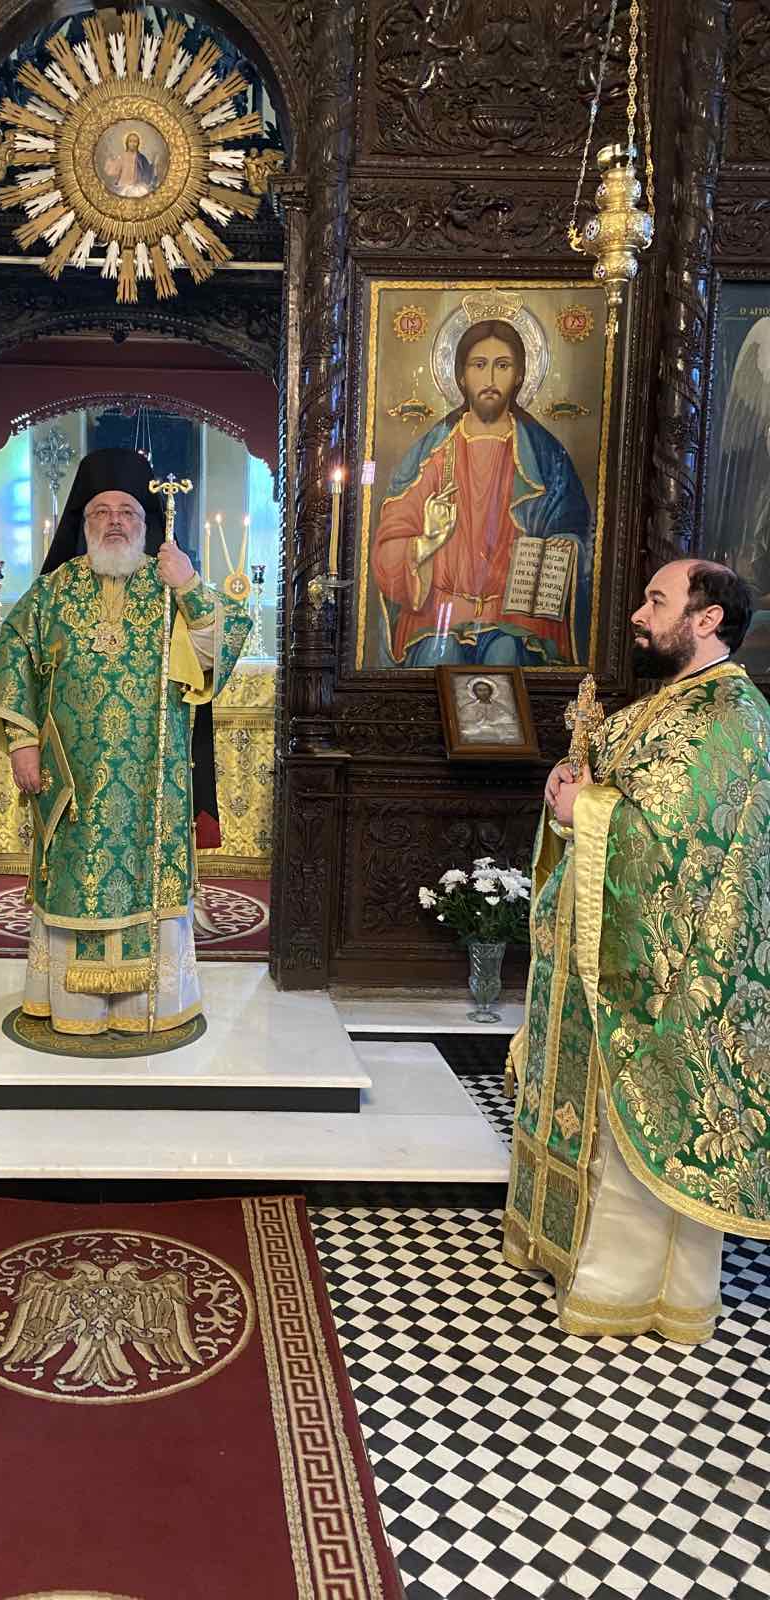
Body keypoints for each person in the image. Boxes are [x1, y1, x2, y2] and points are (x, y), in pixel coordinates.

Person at [504, 559, 770, 1343]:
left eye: (658, 600)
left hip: (666, 974)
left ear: (707, 619)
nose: (638, 615)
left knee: (638, 1114)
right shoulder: (670, 703)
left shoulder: (731, 716)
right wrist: (572, 790)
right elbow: (614, 790)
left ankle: (631, 1291)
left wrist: (583, 806)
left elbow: (678, 846)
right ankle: (563, 1250)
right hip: (601, 949)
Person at [0, 448, 251, 1035]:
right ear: (84, 521)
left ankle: (152, 1004)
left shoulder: (170, 586)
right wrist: (21, 742)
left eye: (127, 511)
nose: (115, 521)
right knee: (76, 878)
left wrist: (190, 585)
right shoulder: (52, 592)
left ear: (146, 522)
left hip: (154, 780)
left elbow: (220, 651)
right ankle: (75, 1007)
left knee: (150, 884)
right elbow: (13, 664)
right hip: (72, 778)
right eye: (101, 511)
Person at [372, 317, 593, 667]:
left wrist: (556, 549)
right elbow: (389, 543)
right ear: (461, 376)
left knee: (506, 657)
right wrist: (425, 542)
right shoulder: (433, 453)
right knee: (438, 658)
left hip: (517, 615)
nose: (490, 379)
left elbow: (576, 531)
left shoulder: (545, 455)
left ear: (519, 375)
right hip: (439, 612)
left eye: (502, 366)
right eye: (479, 365)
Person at [104, 130, 158, 198]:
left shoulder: (141, 158)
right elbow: (113, 171)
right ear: (127, 143)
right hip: (123, 187)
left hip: (137, 188)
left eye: (135, 141)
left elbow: (147, 173)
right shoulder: (122, 156)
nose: (132, 144)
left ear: (138, 144)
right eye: (130, 141)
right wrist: (110, 159)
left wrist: (153, 164)